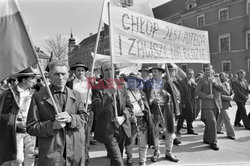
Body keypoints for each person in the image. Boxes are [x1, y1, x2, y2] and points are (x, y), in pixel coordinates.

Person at [26, 60, 88, 166]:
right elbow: (31, 127)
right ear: (49, 76)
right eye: (56, 74)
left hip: (73, 151)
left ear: (68, 75)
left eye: (63, 74)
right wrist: (52, 125)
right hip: (51, 152)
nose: (60, 77)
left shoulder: (76, 95)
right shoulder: (38, 96)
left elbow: (84, 118)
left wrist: (71, 119)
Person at [91, 61, 133, 166]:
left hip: (122, 127)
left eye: (111, 69)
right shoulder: (97, 87)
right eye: (106, 69)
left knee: (116, 158)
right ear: (102, 72)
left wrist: (123, 117)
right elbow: (96, 108)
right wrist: (108, 93)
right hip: (108, 129)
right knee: (118, 161)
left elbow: (130, 107)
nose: (109, 72)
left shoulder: (122, 85)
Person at [0, 68, 37, 166]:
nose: (35, 81)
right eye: (32, 78)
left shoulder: (34, 93)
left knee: (31, 155)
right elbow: (4, 114)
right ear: (24, 80)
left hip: (31, 128)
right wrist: (16, 124)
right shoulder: (9, 93)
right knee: (18, 158)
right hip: (16, 130)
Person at [144, 65, 179, 163]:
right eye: (152, 72)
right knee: (155, 132)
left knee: (170, 132)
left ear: (161, 73)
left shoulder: (167, 83)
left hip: (167, 110)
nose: (153, 73)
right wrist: (151, 101)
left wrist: (166, 95)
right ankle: (156, 152)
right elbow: (144, 97)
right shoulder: (147, 84)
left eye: (155, 71)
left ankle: (169, 152)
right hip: (154, 110)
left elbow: (173, 96)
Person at [124, 73, 155, 166]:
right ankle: (129, 157)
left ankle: (143, 161)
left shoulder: (142, 93)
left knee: (143, 142)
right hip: (131, 121)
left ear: (137, 83)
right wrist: (129, 117)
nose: (131, 83)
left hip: (142, 120)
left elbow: (147, 106)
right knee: (129, 143)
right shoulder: (124, 94)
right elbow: (123, 107)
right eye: (129, 81)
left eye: (133, 81)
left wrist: (146, 111)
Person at [67, 62, 93, 166]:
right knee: (76, 137)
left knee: (86, 137)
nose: (80, 72)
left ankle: (85, 160)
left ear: (85, 72)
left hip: (88, 110)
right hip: (75, 112)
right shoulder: (70, 83)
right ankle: (75, 159)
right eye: (78, 70)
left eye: (82, 70)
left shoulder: (91, 83)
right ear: (74, 72)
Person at [195, 65, 223, 150]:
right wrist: (207, 96)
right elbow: (197, 92)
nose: (207, 71)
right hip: (207, 104)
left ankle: (206, 138)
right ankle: (213, 142)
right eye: (206, 70)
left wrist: (214, 83)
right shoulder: (201, 80)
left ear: (212, 70)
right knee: (213, 122)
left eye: (209, 70)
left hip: (215, 104)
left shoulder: (216, 79)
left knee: (209, 123)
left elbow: (221, 88)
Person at [177, 69, 198, 135]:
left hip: (191, 102)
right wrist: (182, 102)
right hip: (185, 102)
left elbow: (195, 92)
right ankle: (178, 129)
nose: (191, 76)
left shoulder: (193, 82)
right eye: (189, 74)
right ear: (186, 74)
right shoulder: (182, 82)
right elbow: (181, 93)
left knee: (190, 116)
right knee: (182, 117)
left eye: (192, 74)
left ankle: (190, 130)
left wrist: (194, 85)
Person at [216, 72, 235, 139]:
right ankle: (231, 134)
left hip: (227, 103)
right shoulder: (217, 85)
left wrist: (232, 96)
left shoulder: (227, 83)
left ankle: (217, 129)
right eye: (221, 76)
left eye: (223, 76)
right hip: (221, 104)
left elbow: (232, 92)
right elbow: (219, 96)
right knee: (227, 119)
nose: (222, 78)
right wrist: (229, 98)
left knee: (221, 117)